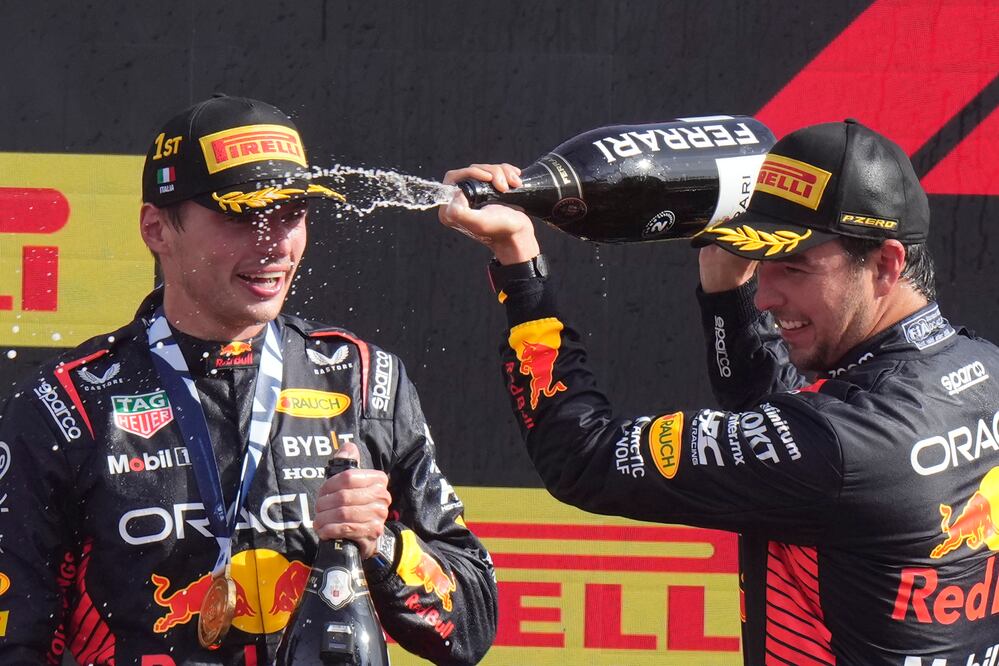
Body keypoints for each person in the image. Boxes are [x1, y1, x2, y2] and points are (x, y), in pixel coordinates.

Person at [438, 119, 999, 665]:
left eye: (794, 268)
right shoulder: (982, 369)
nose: (766, 295)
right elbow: (789, 441)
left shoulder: (845, 448)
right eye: (761, 262)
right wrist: (727, 292)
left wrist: (521, 268)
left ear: (885, 263)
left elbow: (582, 458)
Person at [0, 94, 497, 666]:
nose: (277, 242)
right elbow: (18, 639)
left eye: (292, 214)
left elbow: (471, 626)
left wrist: (380, 544)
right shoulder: (66, 403)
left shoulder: (363, 378)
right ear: (157, 228)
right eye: (242, 216)